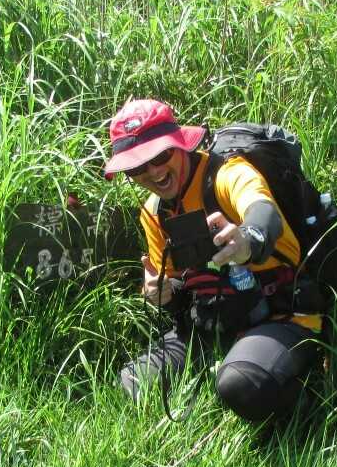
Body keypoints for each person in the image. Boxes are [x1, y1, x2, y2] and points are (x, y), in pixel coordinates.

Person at [105, 98, 324, 423]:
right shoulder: (154, 212)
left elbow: (264, 213)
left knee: (241, 385)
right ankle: (229, 360)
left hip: (283, 315)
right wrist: (163, 293)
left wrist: (247, 240)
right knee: (131, 385)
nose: (154, 171)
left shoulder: (228, 174)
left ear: (180, 144)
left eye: (161, 156)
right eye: (137, 167)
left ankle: (309, 398)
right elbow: (179, 287)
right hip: (212, 323)